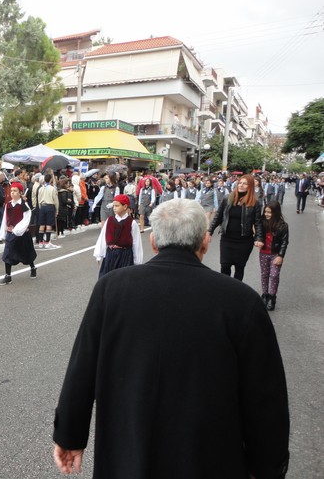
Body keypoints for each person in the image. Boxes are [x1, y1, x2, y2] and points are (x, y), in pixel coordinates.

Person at [53, 198, 290, 478]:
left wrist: (69, 435)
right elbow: (265, 397)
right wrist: (268, 466)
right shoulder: (241, 301)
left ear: (154, 242)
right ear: (205, 242)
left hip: (128, 450)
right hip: (208, 458)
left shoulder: (112, 289)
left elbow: (82, 369)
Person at [209, 174, 264, 281]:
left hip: (244, 241)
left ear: (250, 186)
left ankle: (236, 290)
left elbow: (258, 222)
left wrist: (259, 238)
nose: (241, 185)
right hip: (227, 239)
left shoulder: (254, 203)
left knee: (239, 268)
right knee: (225, 266)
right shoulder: (227, 198)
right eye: (240, 183)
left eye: (245, 184)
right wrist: (209, 231)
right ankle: (226, 289)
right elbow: (218, 217)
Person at [93, 194, 142, 278]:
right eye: (114, 206)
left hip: (125, 255)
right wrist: (99, 254)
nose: (114, 208)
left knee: (122, 280)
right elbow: (102, 237)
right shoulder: (110, 220)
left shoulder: (131, 223)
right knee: (106, 279)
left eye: (117, 206)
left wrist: (137, 262)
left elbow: (136, 243)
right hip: (110, 255)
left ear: (125, 206)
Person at [0, 182, 37, 285]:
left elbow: (26, 220)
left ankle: (32, 267)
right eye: (11, 191)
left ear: (20, 193)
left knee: (27, 254)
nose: (12, 193)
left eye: (15, 191)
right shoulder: (8, 205)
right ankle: (8, 276)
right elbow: (5, 219)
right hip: (11, 234)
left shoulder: (24, 205)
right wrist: (3, 233)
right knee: (7, 254)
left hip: (22, 234)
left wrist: (17, 230)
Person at [258, 201, 289, 311]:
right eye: (265, 212)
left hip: (275, 254)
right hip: (263, 254)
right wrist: (257, 240)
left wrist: (280, 255)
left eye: (269, 212)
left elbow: (284, 242)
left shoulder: (283, 226)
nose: (267, 214)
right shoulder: (262, 223)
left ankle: (272, 297)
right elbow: (258, 234)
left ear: (276, 212)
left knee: (274, 275)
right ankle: (265, 295)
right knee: (264, 274)